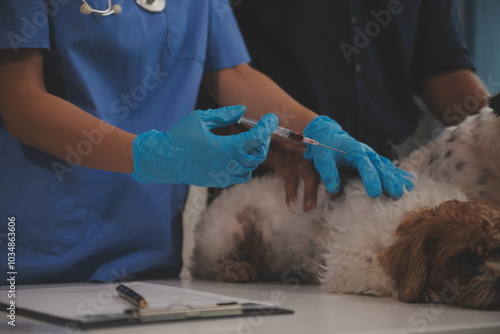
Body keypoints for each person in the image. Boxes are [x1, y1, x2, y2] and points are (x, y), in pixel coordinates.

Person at [0, 0, 411, 284]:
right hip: (36, 256)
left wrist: (318, 129)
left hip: (147, 258)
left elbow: (233, 73)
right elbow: (20, 102)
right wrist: (151, 154)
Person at [228, 0, 490, 160]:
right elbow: (223, 75)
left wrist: (493, 125)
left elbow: (444, 67)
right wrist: (271, 156)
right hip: (272, 163)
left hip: (378, 165)